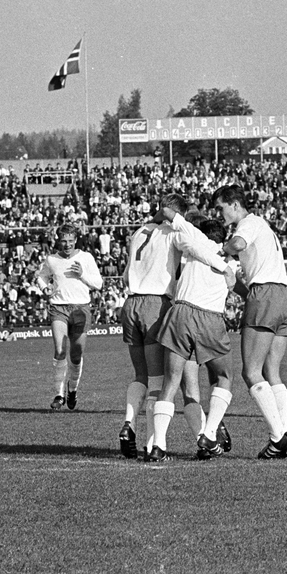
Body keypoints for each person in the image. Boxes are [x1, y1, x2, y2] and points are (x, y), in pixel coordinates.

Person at [145, 208, 237, 462]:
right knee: (224, 376)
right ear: (224, 239)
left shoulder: (192, 240)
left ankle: (158, 446)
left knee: (170, 383)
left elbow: (166, 210)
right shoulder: (229, 259)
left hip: (181, 313)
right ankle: (208, 433)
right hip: (209, 317)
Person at [213, 184, 287, 459]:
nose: (219, 213)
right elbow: (247, 282)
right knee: (272, 370)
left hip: (266, 294)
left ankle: (278, 437)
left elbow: (237, 244)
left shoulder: (248, 222)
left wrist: (220, 251)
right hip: (283, 296)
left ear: (234, 205)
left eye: (221, 207)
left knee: (251, 372)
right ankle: (286, 432)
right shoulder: (263, 227)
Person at [117, 194, 185, 457]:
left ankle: (128, 423)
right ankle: (152, 443)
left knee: (140, 375)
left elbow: (125, 276)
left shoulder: (139, 231)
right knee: (158, 378)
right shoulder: (172, 233)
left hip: (131, 303)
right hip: (155, 304)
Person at [36, 224, 103, 410]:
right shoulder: (52, 260)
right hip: (59, 308)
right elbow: (41, 277)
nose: (67, 245)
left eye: (70, 241)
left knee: (76, 354)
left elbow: (98, 283)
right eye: (64, 241)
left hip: (81, 308)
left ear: (76, 240)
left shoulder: (86, 258)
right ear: (58, 240)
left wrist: (82, 275)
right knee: (59, 349)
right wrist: (45, 288)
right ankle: (58, 394)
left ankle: (72, 389)